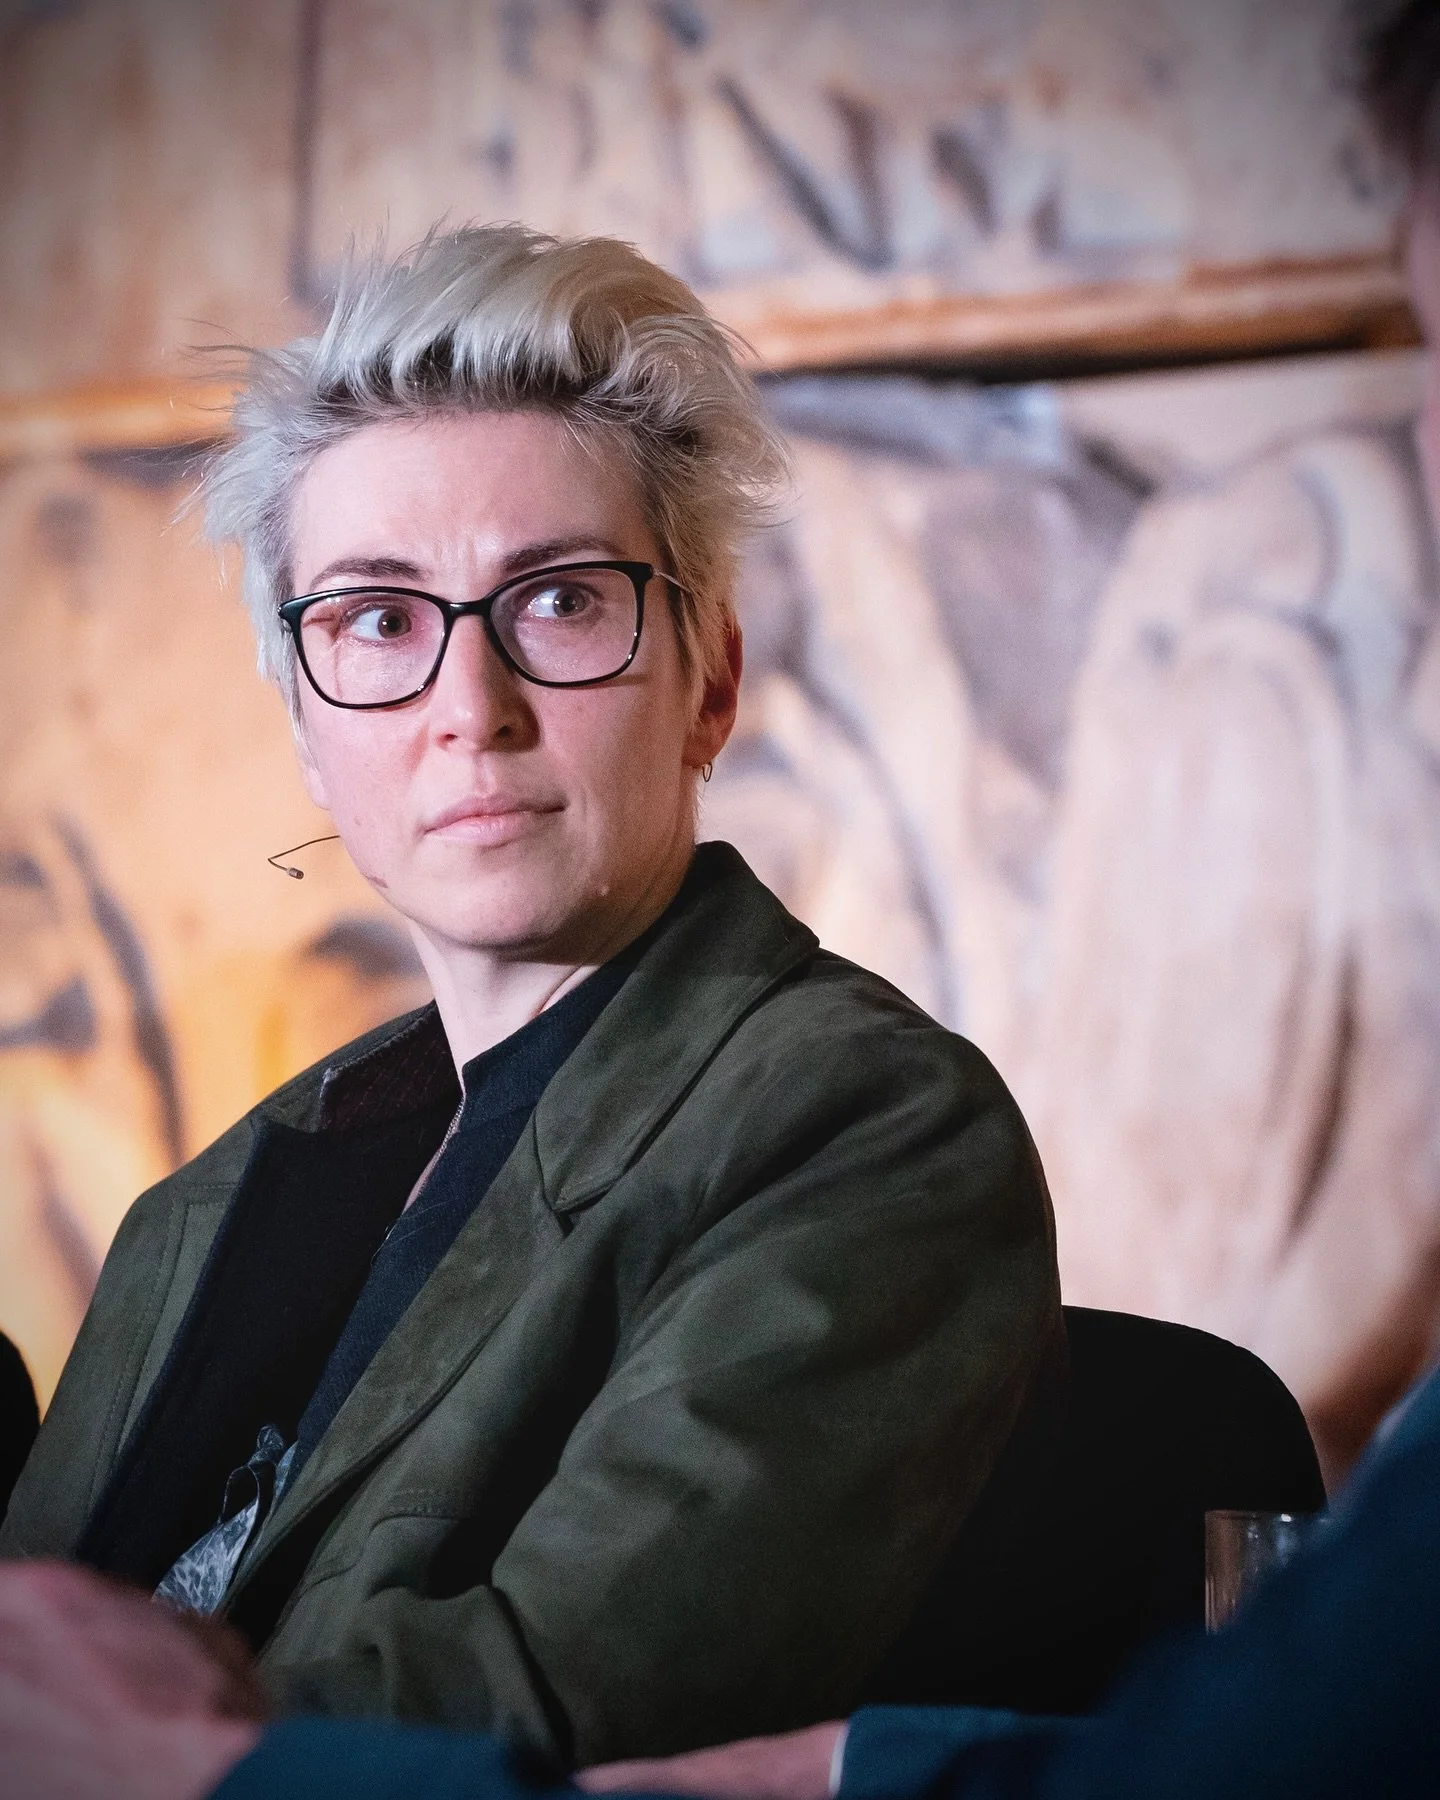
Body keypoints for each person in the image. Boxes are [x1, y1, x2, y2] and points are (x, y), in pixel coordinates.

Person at [0, 226, 1061, 1764]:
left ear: (710, 680)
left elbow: (561, 1721)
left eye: (559, 602)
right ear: (307, 728)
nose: (469, 711)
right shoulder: (205, 1205)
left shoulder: (869, 1127)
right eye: (377, 619)